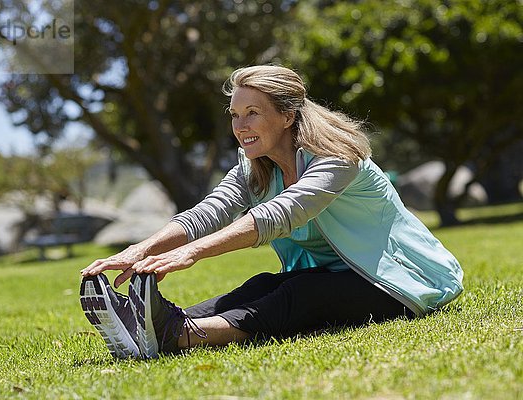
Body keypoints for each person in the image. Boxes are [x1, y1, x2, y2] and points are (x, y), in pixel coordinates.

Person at [79, 65, 464, 359]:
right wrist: (139, 250)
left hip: (397, 280)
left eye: (252, 113)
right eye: (234, 115)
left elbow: (283, 214)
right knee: (264, 285)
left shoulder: (337, 157)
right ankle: (147, 323)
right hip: (331, 276)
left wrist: (192, 252)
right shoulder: (256, 165)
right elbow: (208, 212)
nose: (240, 126)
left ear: (287, 115)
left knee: (301, 292)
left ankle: (176, 334)